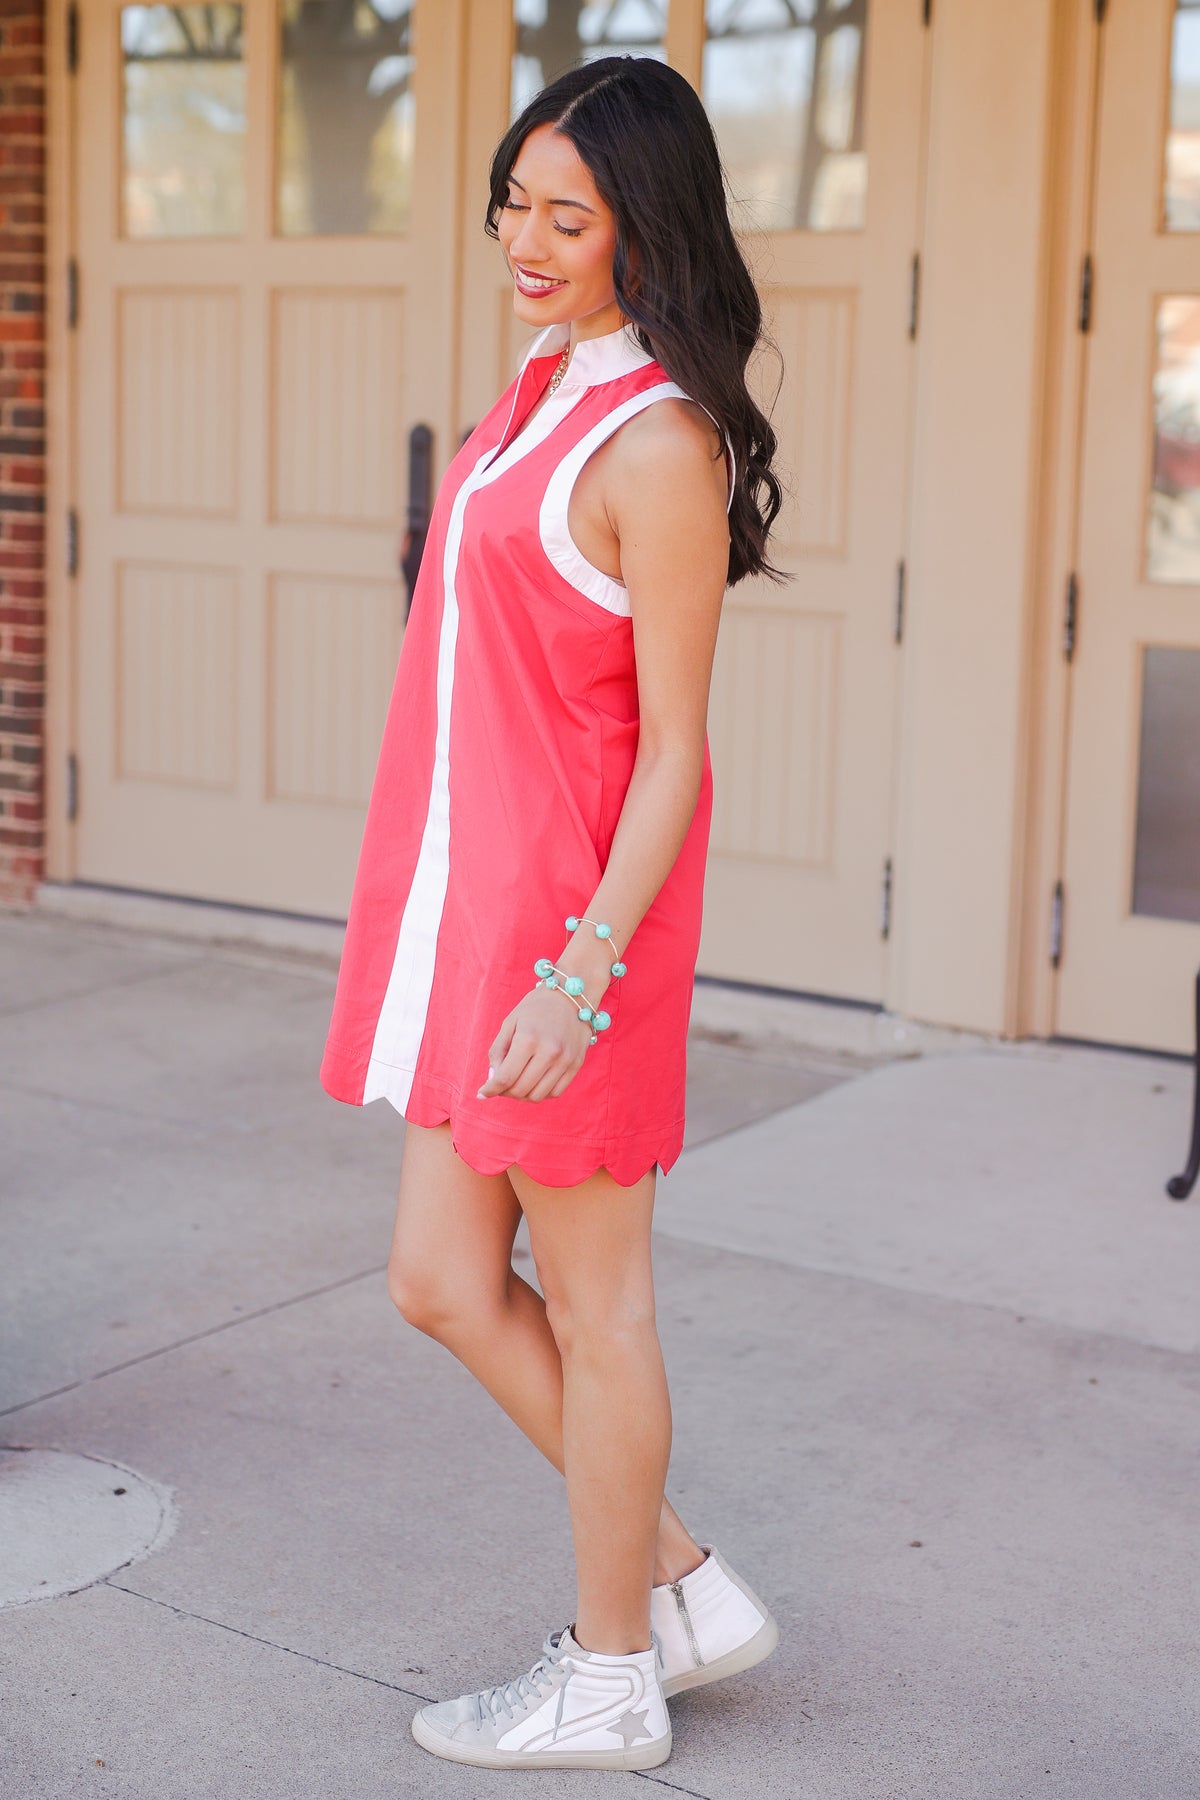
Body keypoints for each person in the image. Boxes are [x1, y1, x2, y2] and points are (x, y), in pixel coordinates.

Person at [319, 54, 784, 1773]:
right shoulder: (540, 385)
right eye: (515, 199)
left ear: (641, 231)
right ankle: (681, 1583)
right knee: (442, 1277)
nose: (524, 235)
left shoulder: (656, 441)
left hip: (572, 943)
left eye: (566, 214)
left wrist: (578, 976)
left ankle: (611, 1676)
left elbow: (674, 756)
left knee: (601, 1311)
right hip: (477, 919)